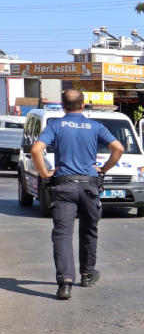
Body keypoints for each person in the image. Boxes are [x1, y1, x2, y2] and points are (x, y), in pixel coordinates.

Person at [29, 89, 124, 300]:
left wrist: (45, 173)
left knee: (62, 234)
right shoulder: (95, 126)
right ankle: (87, 274)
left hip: (64, 186)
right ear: (83, 105)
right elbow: (118, 148)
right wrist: (103, 169)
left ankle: (65, 284)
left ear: (63, 106)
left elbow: (36, 150)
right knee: (89, 230)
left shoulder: (55, 125)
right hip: (89, 185)